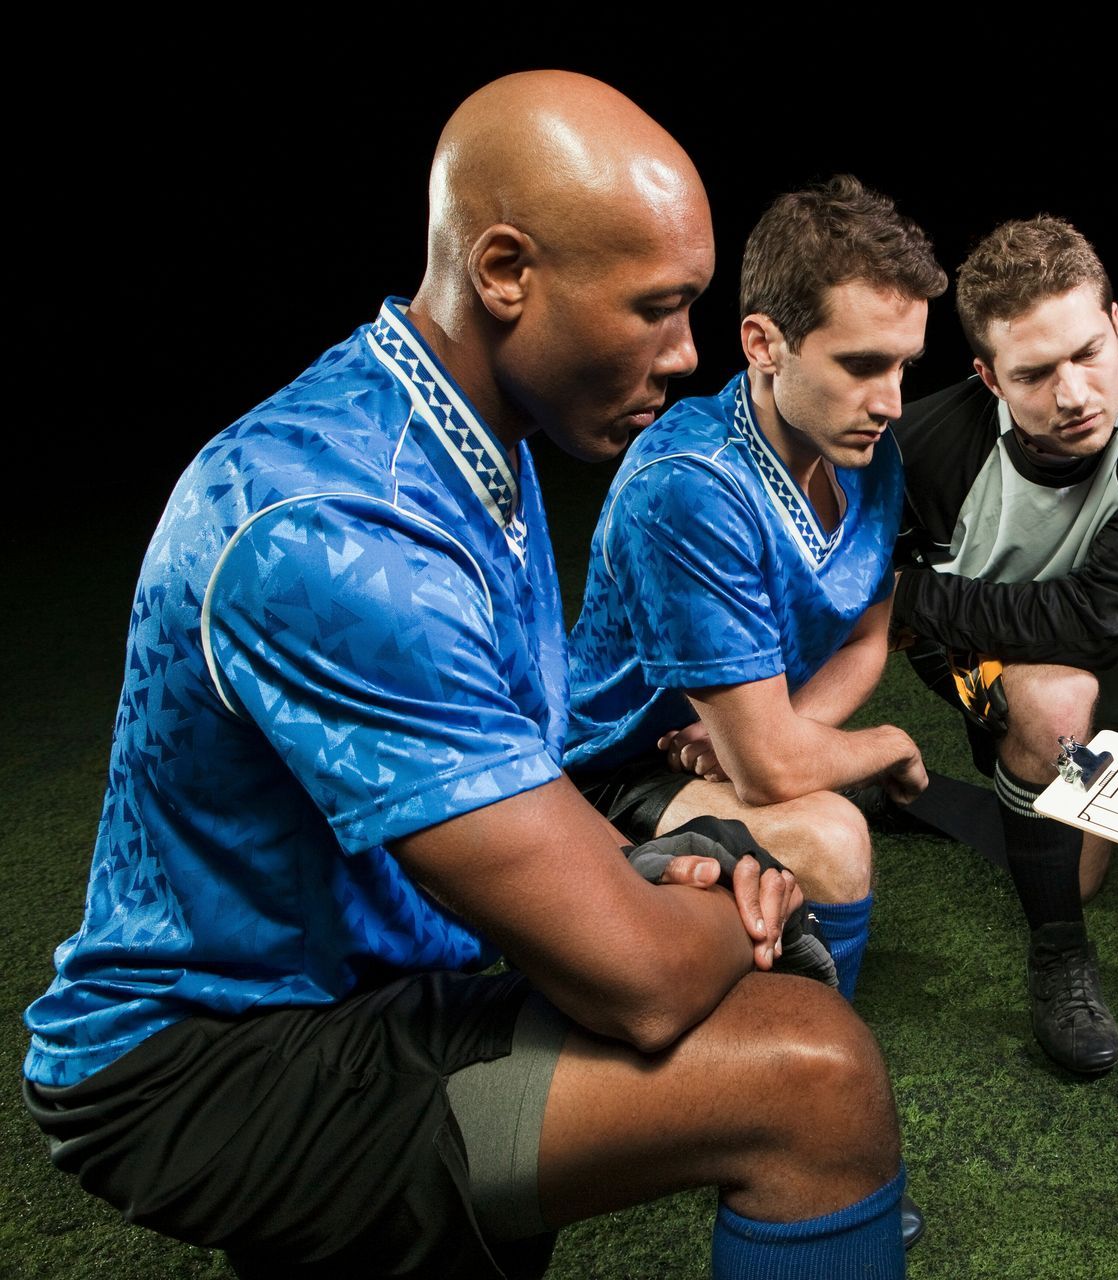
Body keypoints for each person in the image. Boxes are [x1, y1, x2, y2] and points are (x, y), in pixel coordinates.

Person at [21, 73, 912, 1278]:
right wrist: (714, 902)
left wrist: (644, 875)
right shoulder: (341, 526)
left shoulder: (458, 429)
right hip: (206, 1051)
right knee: (818, 1075)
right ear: (505, 273)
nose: (687, 352)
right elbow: (642, 982)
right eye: (658, 307)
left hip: (377, 977)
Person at [564, 175, 945, 1000]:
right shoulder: (689, 485)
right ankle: (794, 1063)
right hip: (605, 778)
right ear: (764, 343)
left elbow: (865, 637)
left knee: (805, 807)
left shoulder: (869, 456)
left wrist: (777, 735)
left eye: (905, 366)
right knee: (833, 835)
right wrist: (889, 746)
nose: (891, 401)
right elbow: (773, 774)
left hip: (731, 745)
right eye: (861, 364)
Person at [892, 216, 1118, 1075]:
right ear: (987, 377)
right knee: (1052, 712)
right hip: (964, 657)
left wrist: (918, 595)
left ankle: (908, 795)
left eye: (1087, 352)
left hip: (1083, 639)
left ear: (1116, 324)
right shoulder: (922, 448)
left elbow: (1102, 620)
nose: (1073, 394)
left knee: (1078, 856)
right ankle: (1059, 959)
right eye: (1034, 374)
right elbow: (869, 610)